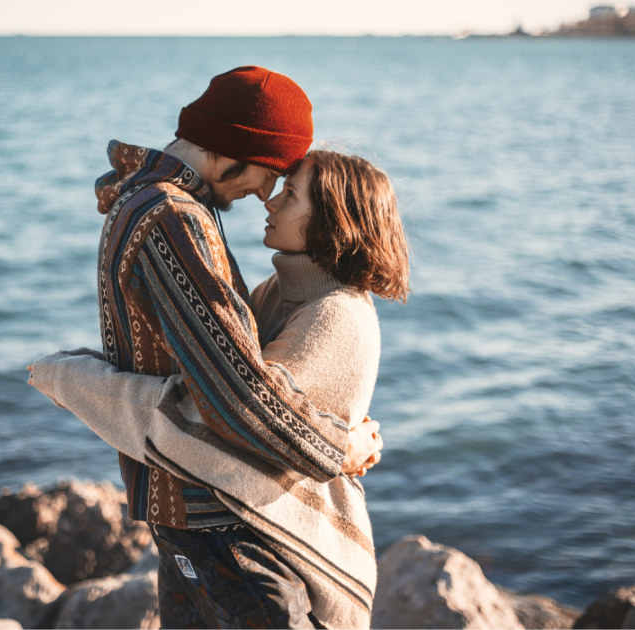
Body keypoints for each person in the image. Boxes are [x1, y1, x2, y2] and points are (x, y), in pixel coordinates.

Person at [30, 67, 398, 628]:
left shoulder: (151, 206)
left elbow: (221, 371)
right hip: (217, 519)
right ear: (230, 152)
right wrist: (339, 447)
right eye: (267, 174)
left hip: (197, 509)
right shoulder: (172, 218)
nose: (263, 194)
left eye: (284, 187)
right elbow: (240, 398)